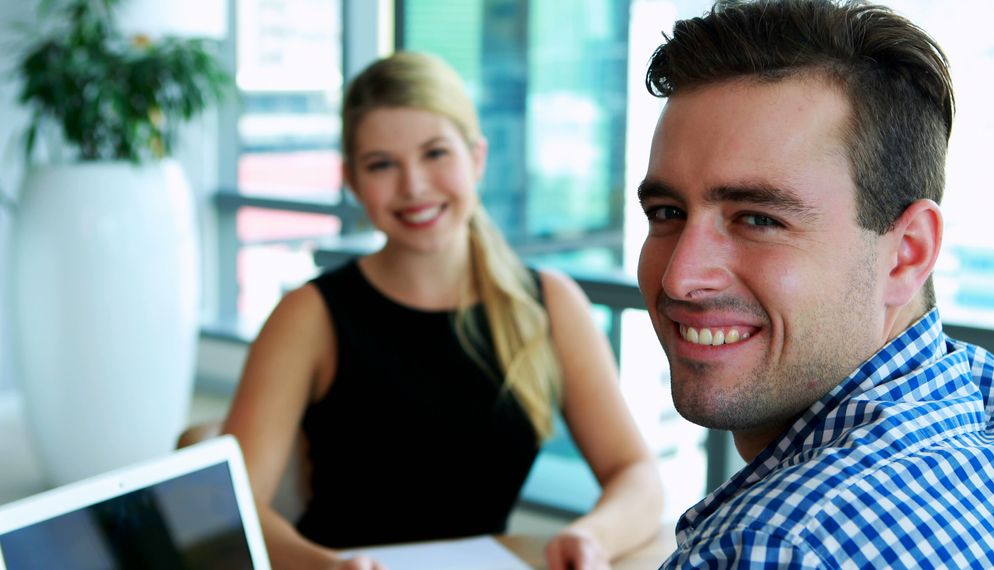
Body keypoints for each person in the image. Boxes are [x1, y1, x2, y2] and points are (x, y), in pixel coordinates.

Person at [636, 0, 994, 567]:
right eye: (667, 213)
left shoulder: (773, 546)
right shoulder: (992, 401)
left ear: (907, 254)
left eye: (759, 219)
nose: (680, 277)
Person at [221, 51, 663, 570]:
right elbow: (230, 506)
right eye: (381, 164)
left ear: (476, 158)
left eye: (435, 154)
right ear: (352, 181)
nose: (413, 185)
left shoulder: (549, 303)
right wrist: (328, 567)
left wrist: (591, 537)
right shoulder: (308, 315)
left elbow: (636, 473)